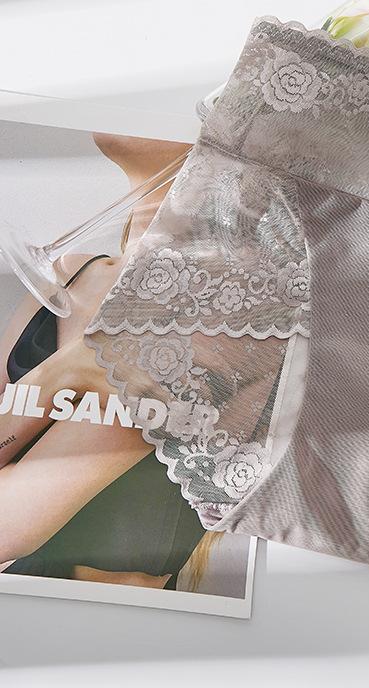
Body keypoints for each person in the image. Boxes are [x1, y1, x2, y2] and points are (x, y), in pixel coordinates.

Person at [0, 134, 217, 589]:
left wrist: (61, 377)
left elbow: (6, 530)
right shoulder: (67, 273)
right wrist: (67, 371)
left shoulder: (199, 312)